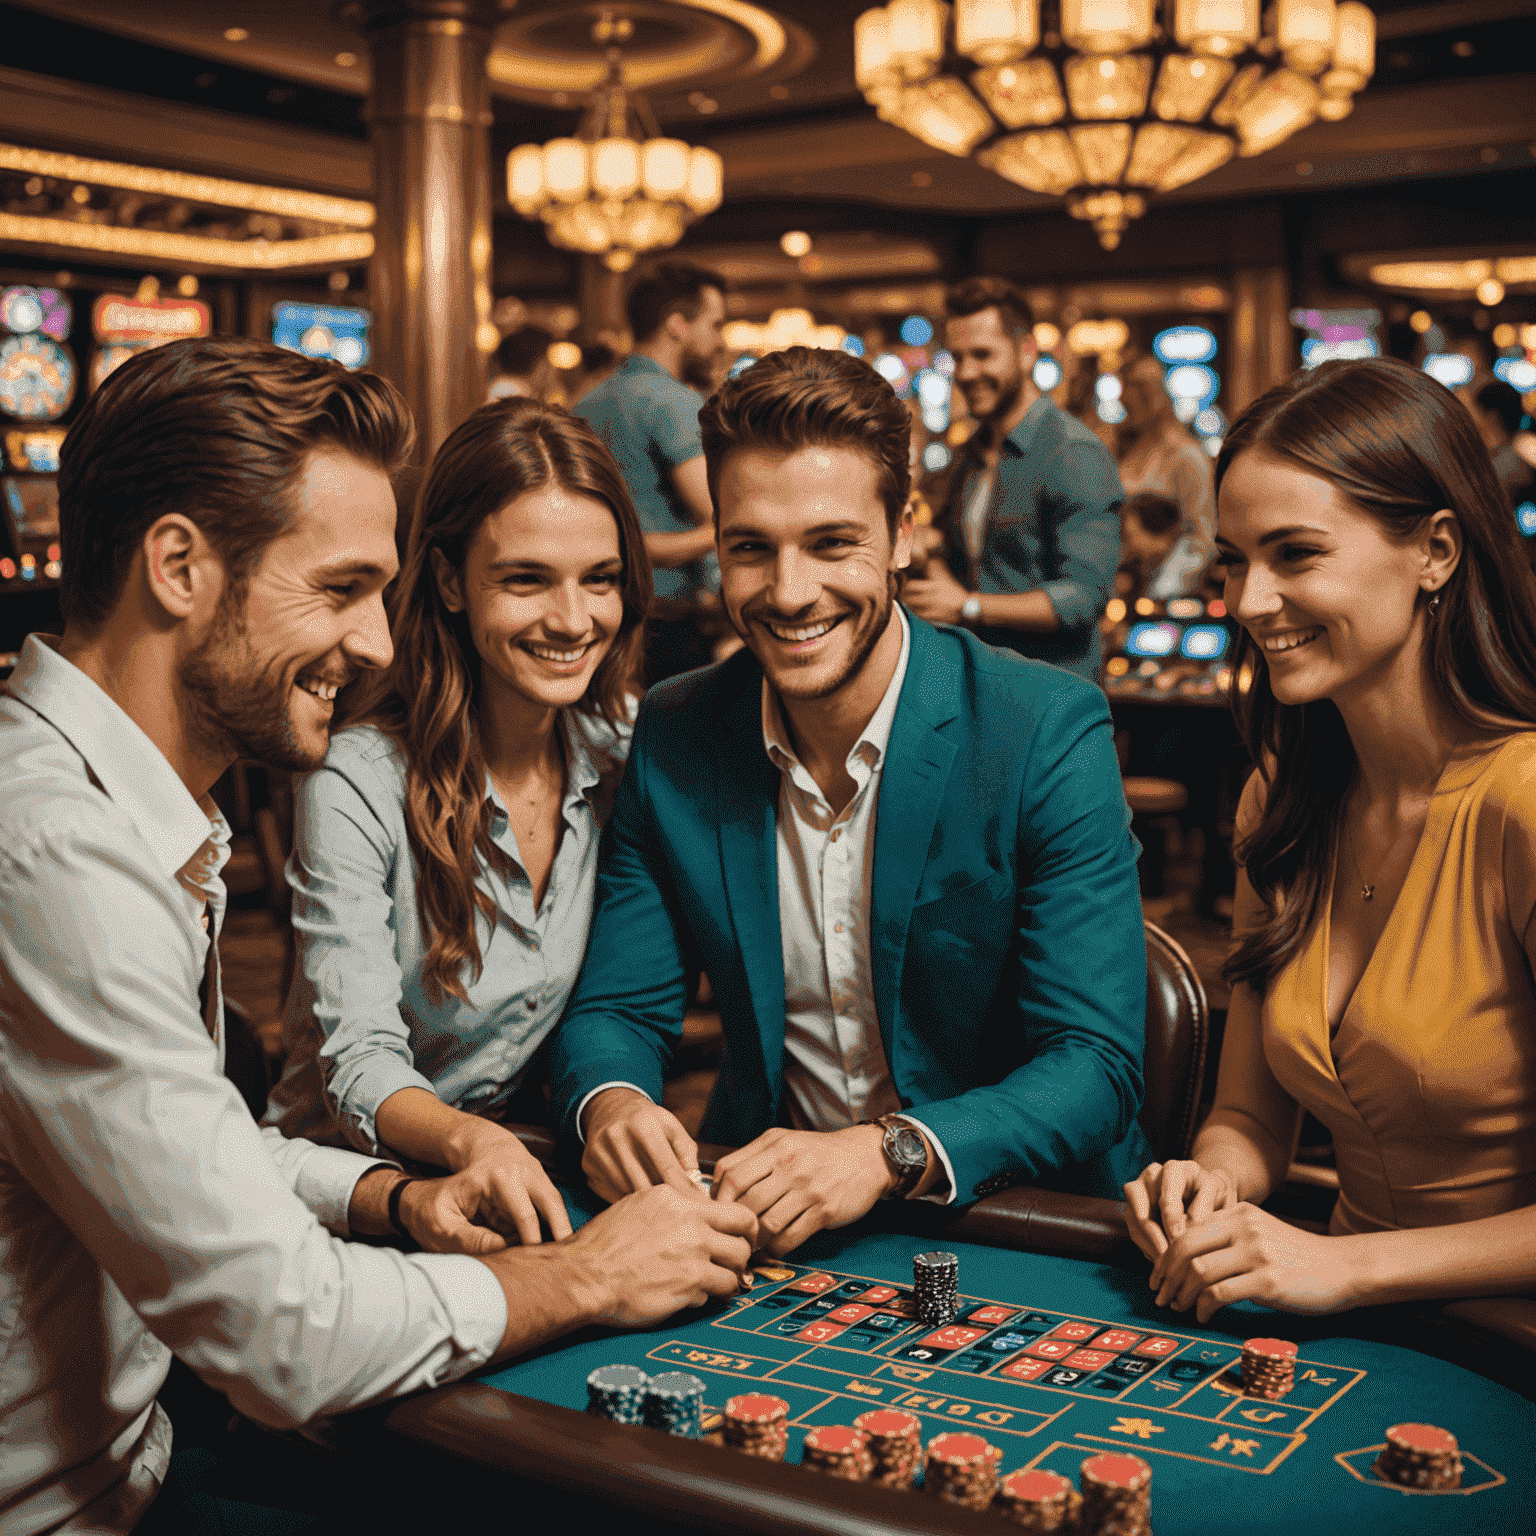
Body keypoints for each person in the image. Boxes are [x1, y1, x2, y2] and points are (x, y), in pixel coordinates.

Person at [0, 337, 754, 1534]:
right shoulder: (52, 851)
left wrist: (397, 1205)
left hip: (142, 1451)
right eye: (342, 589)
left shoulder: (135, 815)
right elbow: (282, 1335)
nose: (378, 644)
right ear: (180, 566)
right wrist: (592, 1273)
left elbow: (214, 1145)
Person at [552, 346, 1150, 1258]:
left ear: (903, 534)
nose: (790, 594)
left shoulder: (1042, 728)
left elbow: (1094, 1065)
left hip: (1018, 1222)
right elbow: (619, 1009)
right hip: (773, 1222)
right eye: (751, 549)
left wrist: (884, 1153)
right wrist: (615, 1104)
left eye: (833, 544)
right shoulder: (678, 731)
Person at [1123, 356, 1536, 1324]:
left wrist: (1345, 1268)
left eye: (1295, 555)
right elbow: (1252, 1118)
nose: (1251, 601)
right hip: (1351, 1322)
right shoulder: (1283, 799)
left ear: (1435, 550)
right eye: (1233, 558)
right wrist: (1210, 1185)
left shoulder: (1522, 803)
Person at [262, 398, 648, 1255]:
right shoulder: (357, 778)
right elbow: (358, 1059)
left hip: (521, 1179)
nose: (574, 618)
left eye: (600, 578)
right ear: (446, 581)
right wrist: (475, 1142)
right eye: (525, 579)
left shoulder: (621, 755)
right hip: (346, 1206)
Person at [904, 276, 1123, 683]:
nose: (967, 373)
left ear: (1026, 353)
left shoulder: (1074, 452)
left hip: (1053, 695)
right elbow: (965, 554)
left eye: (983, 355)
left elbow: (1084, 597)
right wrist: (924, 543)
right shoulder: (969, 452)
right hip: (981, 682)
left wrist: (969, 606)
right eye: (958, 357)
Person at [574, 261, 726, 684]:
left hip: (599, 607)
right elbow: (722, 516)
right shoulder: (672, 402)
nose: (719, 340)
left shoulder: (586, 401)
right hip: (668, 620)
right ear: (677, 324)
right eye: (714, 325)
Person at [1116, 351, 1217, 598]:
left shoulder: (1186, 457)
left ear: (1159, 393)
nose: (1128, 397)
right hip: (1119, 589)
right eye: (1126, 389)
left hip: (1165, 595)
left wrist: (1162, 593)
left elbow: (1203, 539)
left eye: (1139, 389)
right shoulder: (1121, 452)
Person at [1469, 378, 1536, 509]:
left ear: (1492, 415)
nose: (1472, 418)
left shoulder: (1512, 460)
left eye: (1476, 411)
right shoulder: (1522, 445)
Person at [487, 323, 554, 402]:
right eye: (547, 360)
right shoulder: (513, 393)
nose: (551, 368)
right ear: (538, 362)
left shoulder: (503, 387)